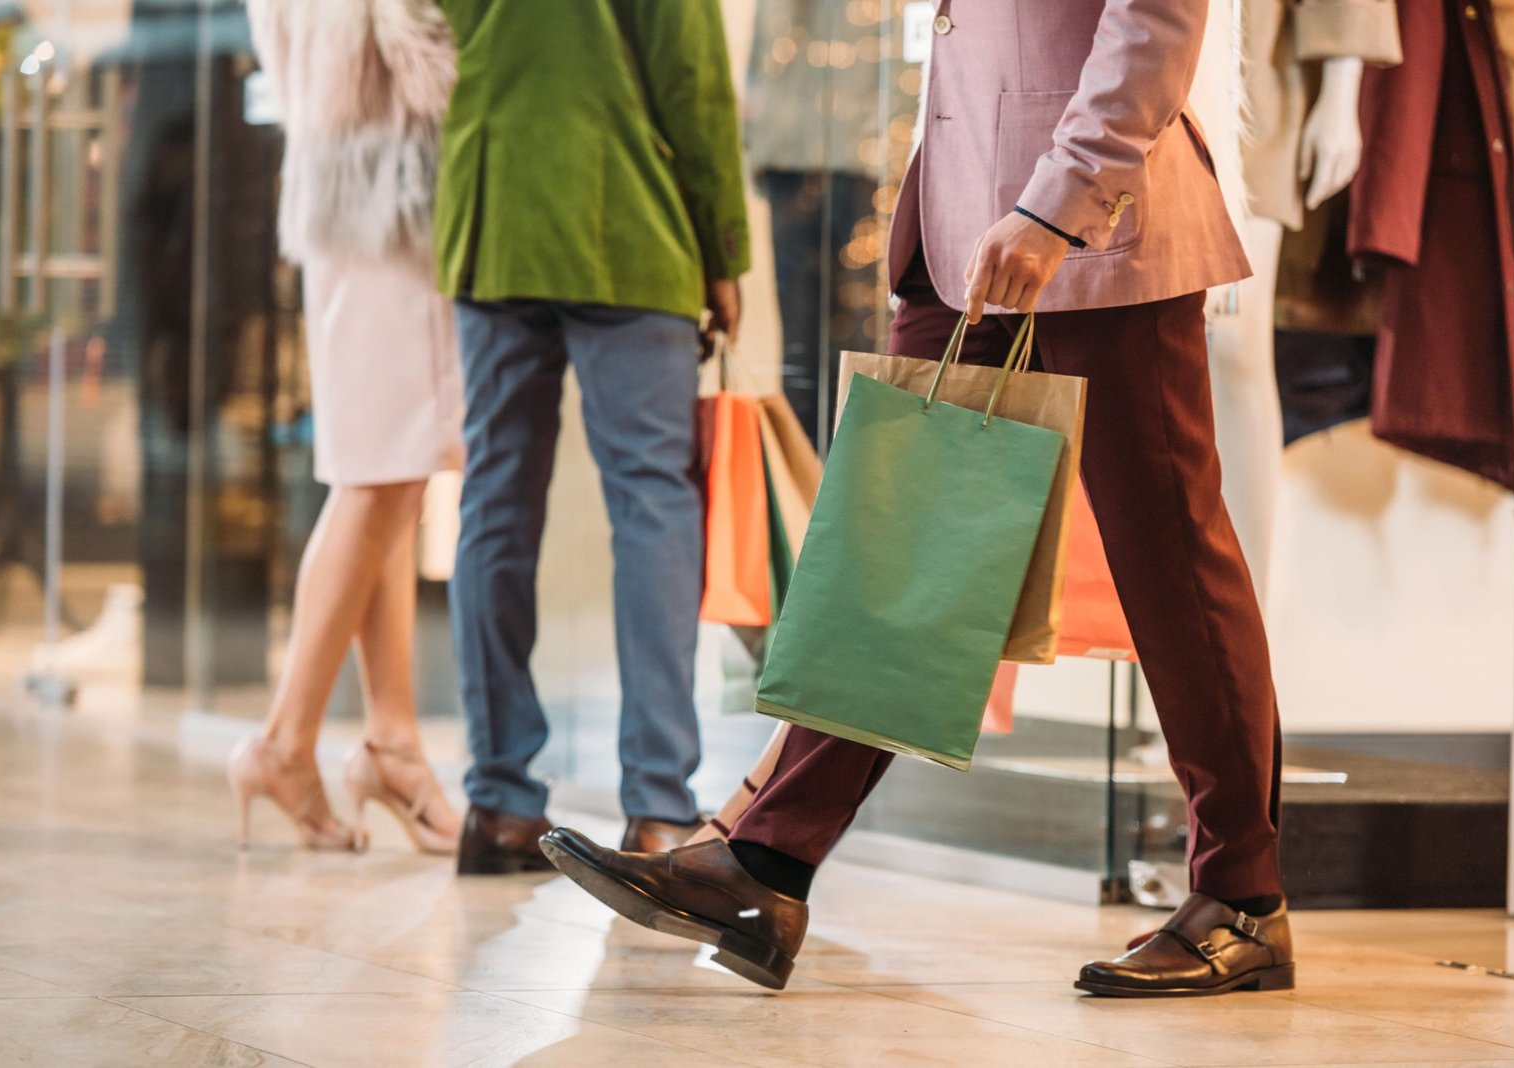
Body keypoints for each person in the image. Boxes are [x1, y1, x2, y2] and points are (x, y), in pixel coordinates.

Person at [543, 0, 1294, 999]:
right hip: (964, 225)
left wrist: (1055, 201)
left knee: (1169, 563)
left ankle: (1241, 900)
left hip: (1093, 225)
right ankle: (764, 861)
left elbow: (1155, 20)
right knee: (893, 540)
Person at [434, 0, 750, 873]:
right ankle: (655, 808)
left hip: (493, 211)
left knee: (494, 501)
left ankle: (498, 802)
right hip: (624, 215)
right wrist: (723, 246)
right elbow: (691, 79)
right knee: (653, 498)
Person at [229, 0, 465, 855]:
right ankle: (287, 742)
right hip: (394, 198)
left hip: (345, 194)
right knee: (381, 477)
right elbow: (433, 60)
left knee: (387, 472)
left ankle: (392, 740)